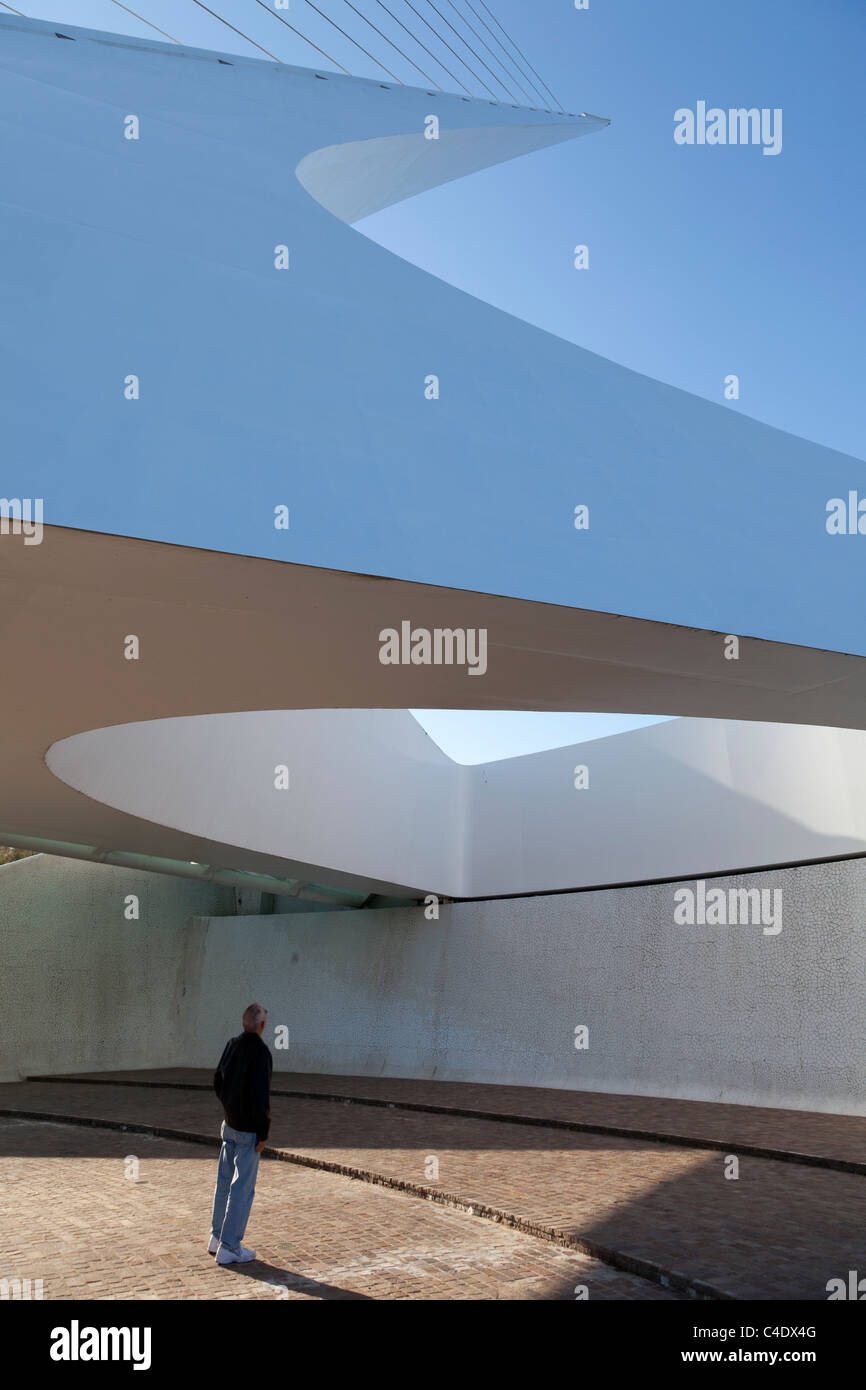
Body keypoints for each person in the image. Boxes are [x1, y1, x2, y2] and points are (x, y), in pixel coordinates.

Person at [208, 1002, 272, 1265]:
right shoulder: (261, 1053)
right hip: (247, 1131)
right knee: (242, 1189)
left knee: (224, 1182)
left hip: (230, 1123)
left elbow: (218, 1079)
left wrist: (228, 1105)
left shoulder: (232, 1044)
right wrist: (263, 1132)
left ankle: (216, 1236)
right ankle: (230, 1246)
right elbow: (260, 1097)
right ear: (262, 1026)